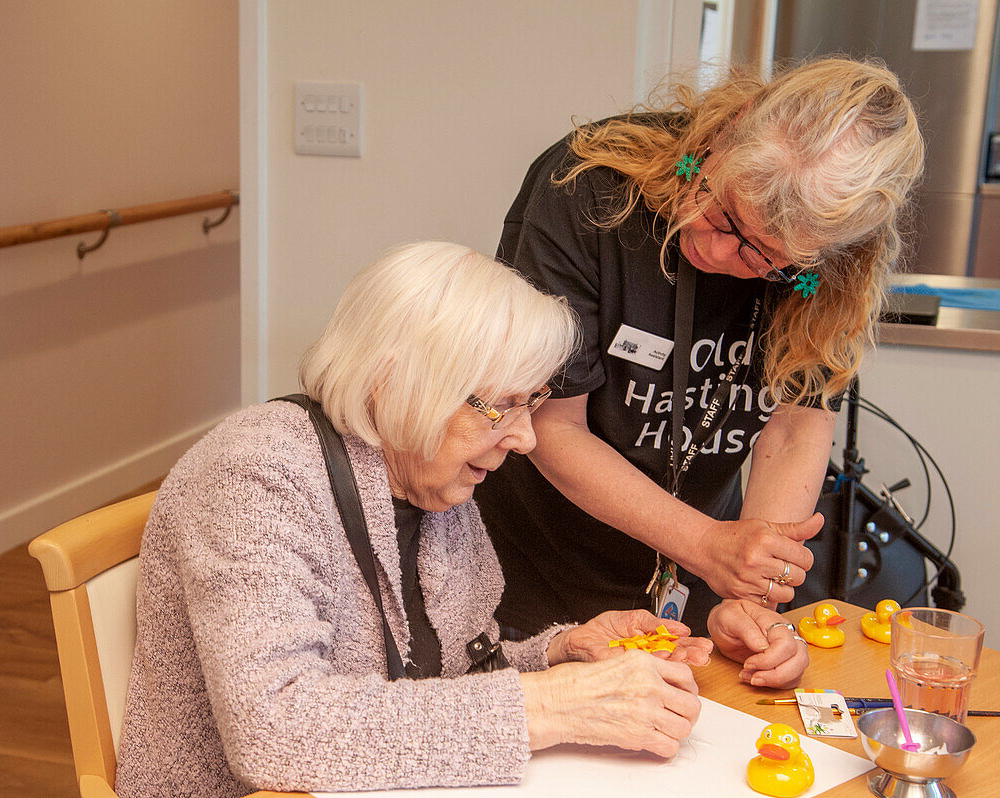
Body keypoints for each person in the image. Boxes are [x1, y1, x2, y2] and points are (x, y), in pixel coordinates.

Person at [114, 241, 796, 798]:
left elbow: (439, 677)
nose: (527, 439)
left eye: (534, 403)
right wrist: (555, 704)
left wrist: (560, 653)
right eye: (502, 406)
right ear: (394, 382)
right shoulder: (254, 473)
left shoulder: (427, 478)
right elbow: (276, 729)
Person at [475, 58, 925, 649]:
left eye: (766, 256)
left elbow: (793, 432)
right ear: (727, 132)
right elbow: (553, 425)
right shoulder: (587, 187)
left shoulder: (834, 274)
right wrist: (711, 546)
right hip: (534, 569)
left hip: (697, 575)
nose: (717, 250)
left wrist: (752, 602)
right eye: (724, 212)